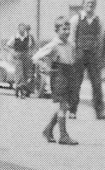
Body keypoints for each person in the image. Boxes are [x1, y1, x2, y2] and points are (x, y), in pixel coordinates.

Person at [34, 17, 79, 145]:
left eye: (68, 29)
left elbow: (72, 59)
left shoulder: (71, 44)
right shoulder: (53, 45)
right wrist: (45, 67)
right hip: (59, 76)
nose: (67, 31)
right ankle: (63, 135)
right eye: (64, 29)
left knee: (65, 106)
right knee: (63, 105)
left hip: (69, 75)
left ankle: (48, 130)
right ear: (56, 30)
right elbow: (36, 57)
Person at [69, 0, 104, 119]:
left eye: (92, 3)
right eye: (88, 2)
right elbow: (72, 38)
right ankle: (72, 110)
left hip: (93, 56)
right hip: (79, 55)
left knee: (96, 83)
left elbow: (100, 39)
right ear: (83, 4)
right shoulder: (76, 19)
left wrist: (99, 55)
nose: (90, 5)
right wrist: (73, 55)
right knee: (76, 83)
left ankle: (99, 111)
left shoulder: (98, 20)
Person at [7, 23, 36, 98]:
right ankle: (19, 89)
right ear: (18, 29)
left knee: (26, 73)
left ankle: (23, 89)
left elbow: (31, 46)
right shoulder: (15, 37)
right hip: (18, 56)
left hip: (26, 56)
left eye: (24, 29)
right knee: (19, 73)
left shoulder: (28, 37)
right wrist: (12, 52)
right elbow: (7, 46)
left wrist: (30, 54)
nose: (22, 30)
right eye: (21, 29)